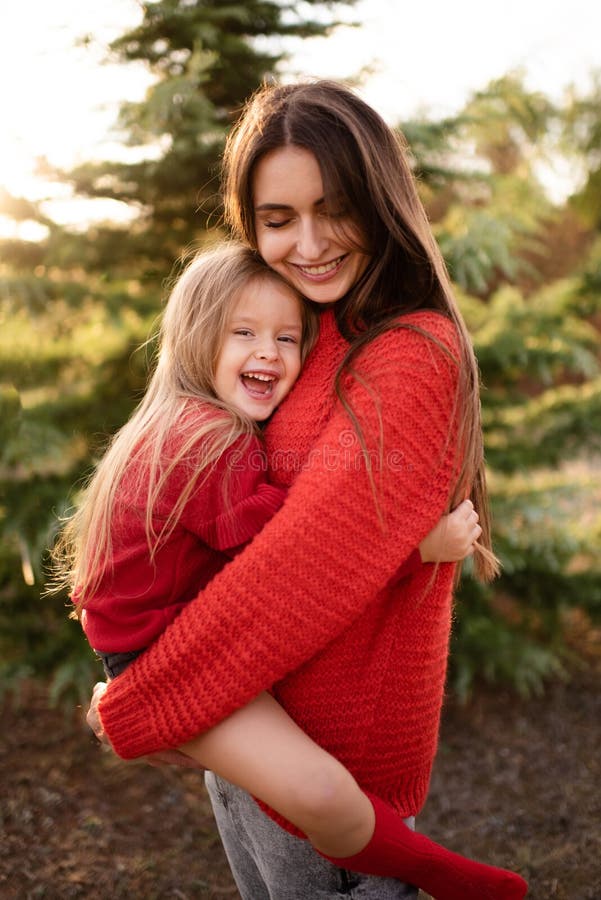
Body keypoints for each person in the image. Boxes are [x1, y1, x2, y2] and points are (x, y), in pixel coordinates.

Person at [84, 80, 528, 899]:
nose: (309, 243)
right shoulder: (308, 327)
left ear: (381, 199)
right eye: (277, 219)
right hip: (254, 725)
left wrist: (146, 697)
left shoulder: (407, 354)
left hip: (333, 777)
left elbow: (304, 565)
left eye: (335, 209)